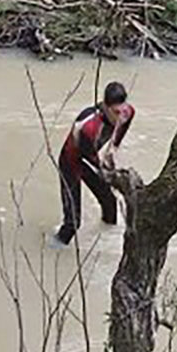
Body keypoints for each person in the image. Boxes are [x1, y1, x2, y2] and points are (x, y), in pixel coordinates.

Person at [51, 81, 136, 247]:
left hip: (91, 157)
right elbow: (93, 160)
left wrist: (114, 147)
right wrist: (112, 176)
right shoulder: (88, 127)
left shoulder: (127, 112)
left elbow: (125, 124)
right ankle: (53, 249)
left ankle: (104, 242)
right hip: (71, 162)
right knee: (73, 223)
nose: (119, 117)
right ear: (105, 106)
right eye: (115, 112)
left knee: (110, 205)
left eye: (121, 111)